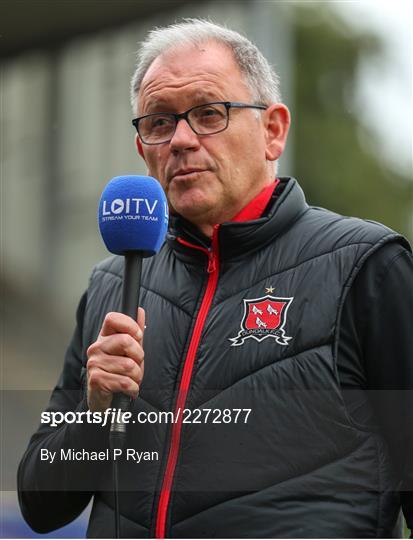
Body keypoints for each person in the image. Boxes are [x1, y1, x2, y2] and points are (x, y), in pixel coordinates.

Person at [18, 19, 413, 538]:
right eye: (159, 123)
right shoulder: (111, 286)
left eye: (208, 113)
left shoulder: (366, 265)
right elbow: (42, 508)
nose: (181, 139)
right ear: (144, 151)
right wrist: (93, 416)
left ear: (272, 131)